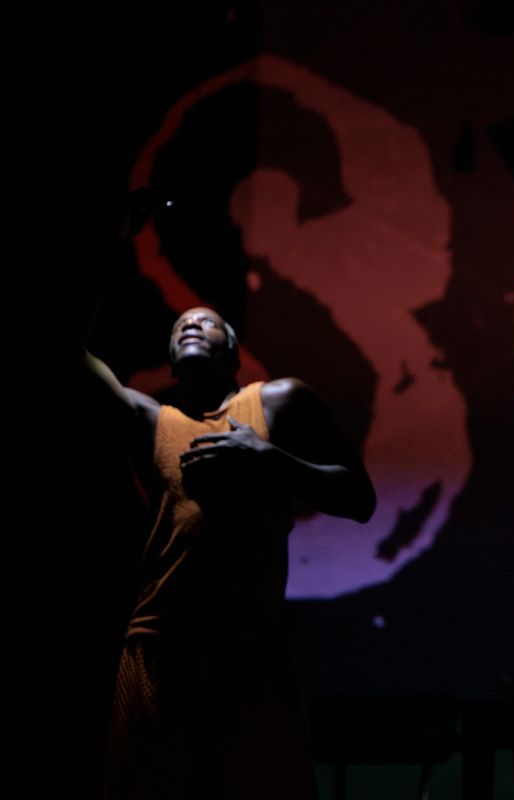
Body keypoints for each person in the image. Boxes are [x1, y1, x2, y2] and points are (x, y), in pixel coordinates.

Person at [86, 195, 375, 799]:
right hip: (158, 649)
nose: (190, 324)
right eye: (178, 326)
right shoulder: (152, 421)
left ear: (234, 351)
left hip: (249, 653)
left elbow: (359, 496)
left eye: (206, 321)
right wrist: (104, 242)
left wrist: (268, 459)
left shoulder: (278, 402)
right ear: (170, 357)